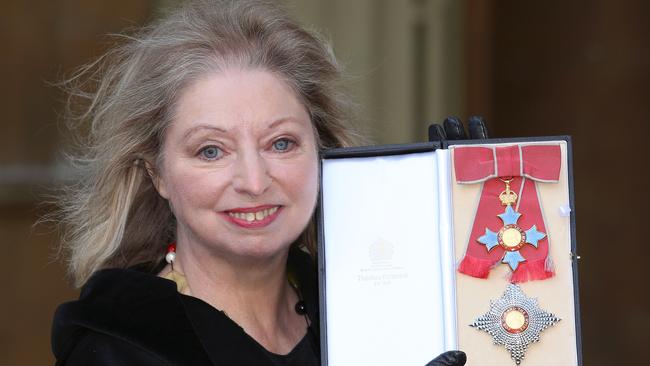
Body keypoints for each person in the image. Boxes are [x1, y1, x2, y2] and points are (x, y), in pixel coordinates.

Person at [51, 0, 468, 365]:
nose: (253, 181)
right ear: (156, 173)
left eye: (281, 143)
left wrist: (470, 220)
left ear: (323, 152)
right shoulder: (120, 348)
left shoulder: (368, 310)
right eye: (211, 151)